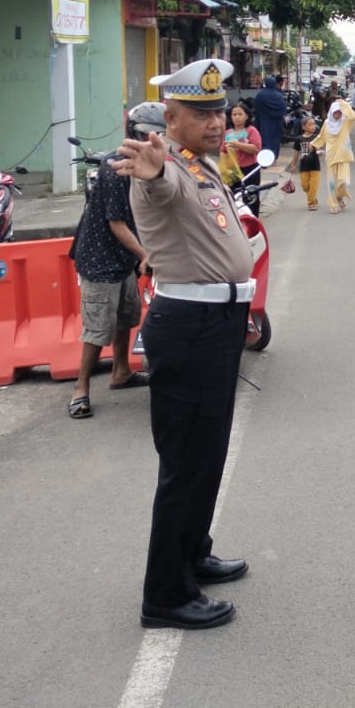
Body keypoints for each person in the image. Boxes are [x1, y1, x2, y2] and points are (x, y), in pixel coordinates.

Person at [111, 58, 255, 632]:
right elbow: (160, 186)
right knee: (186, 463)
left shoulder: (200, 164)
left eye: (218, 110)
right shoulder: (163, 168)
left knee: (208, 454)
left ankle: (193, 552)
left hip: (215, 325)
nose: (215, 121)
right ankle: (166, 594)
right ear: (169, 118)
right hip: (190, 329)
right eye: (200, 113)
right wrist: (153, 168)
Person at [65, 102, 158, 418]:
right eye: (150, 135)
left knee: (126, 317)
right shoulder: (115, 170)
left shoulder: (152, 166)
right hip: (100, 257)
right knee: (97, 327)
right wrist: (145, 254)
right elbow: (116, 223)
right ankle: (81, 389)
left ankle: (121, 372)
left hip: (124, 257)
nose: (155, 142)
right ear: (136, 134)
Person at [312, 98, 355, 213]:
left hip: (343, 156)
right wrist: (311, 146)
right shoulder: (327, 124)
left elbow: (352, 117)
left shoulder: (345, 123)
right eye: (335, 112)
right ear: (331, 112)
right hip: (331, 156)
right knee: (331, 182)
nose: (337, 115)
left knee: (343, 181)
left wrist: (343, 104)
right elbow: (321, 137)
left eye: (339, 112)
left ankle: (339, 196)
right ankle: (333, 203)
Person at [220, 104, 263, 212]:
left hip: (250, 170)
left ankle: (253, 222)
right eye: (234, 114)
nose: (237, 117)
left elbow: (256, 148)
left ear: (246, 116)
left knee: (251, 197)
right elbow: (222, 151)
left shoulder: (251, 131)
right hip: (232, 171)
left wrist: (238, 145)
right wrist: (223, 167)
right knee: (233, 197)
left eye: (240, 114)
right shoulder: (228, 133)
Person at [284, 115, 322, 211]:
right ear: (303, 127)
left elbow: (319, 149)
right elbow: (296, 154)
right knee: (305, 186)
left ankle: (311, 203)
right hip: (304, 166)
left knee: (314, 184)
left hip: (315, 165)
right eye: (310, 125)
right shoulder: (299, 139)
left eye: (314, 124)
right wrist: (293, 165)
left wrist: (319, 150)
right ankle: (312, 197)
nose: (313, 126)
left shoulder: (316, 137)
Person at [250, 75, 287, 166]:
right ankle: (274, 160)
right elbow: (283, 108)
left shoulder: (260, 94)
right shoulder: (278, 95)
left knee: (264, 140)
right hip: (276, 121)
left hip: (263, 121)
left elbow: (256, 107)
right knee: (275, 140)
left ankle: (264, 160)